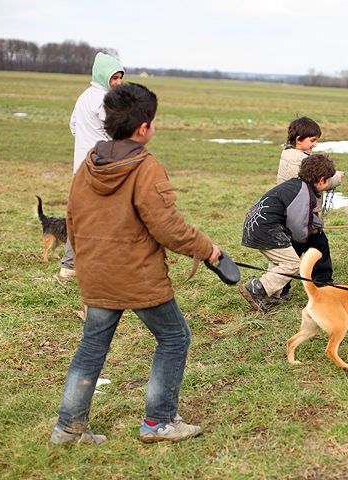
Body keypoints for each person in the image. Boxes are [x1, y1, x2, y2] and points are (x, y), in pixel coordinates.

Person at [50, 83, 222, 445]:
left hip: (95, 273)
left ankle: (68, 429)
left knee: (92, 346)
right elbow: (169, 228)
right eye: (154, 121)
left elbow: (72, 218)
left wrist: (83, 263)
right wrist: (207, 249)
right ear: (143, 127)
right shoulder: (146, 168)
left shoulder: (88, 164)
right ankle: (158, 423)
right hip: (138, 276)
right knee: (175, 337)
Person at [240, 154, 337, 313]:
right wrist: (308, 232)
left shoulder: (296, 185)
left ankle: (271, 294)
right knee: (292, 263)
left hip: (256, 224)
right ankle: (258, 288)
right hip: (267, 229)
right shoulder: (305, 194)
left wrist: (314, 223)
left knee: (279, 261)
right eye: (328, 181)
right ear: (321, 180)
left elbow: (297, 214)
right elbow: (298, 229)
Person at [58, 52, 125, 280]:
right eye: (113, 78)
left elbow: (74, 125)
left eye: (119, 78)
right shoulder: (105, 101)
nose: (117, 82)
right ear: (102, 75)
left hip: (81, 169)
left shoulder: (84, 96)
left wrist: (88, 141)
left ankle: (68, 267)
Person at [276, 117, 344, 299]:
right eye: (312, 141)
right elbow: (317, 181)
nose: (314, 145)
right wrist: (336, 178)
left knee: (315, 245)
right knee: (300, 250)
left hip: (300, 213)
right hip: (300, 215)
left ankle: (319, 282)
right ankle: (281, 288)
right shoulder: (297, 160)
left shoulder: (291, 155)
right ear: (299, 140)